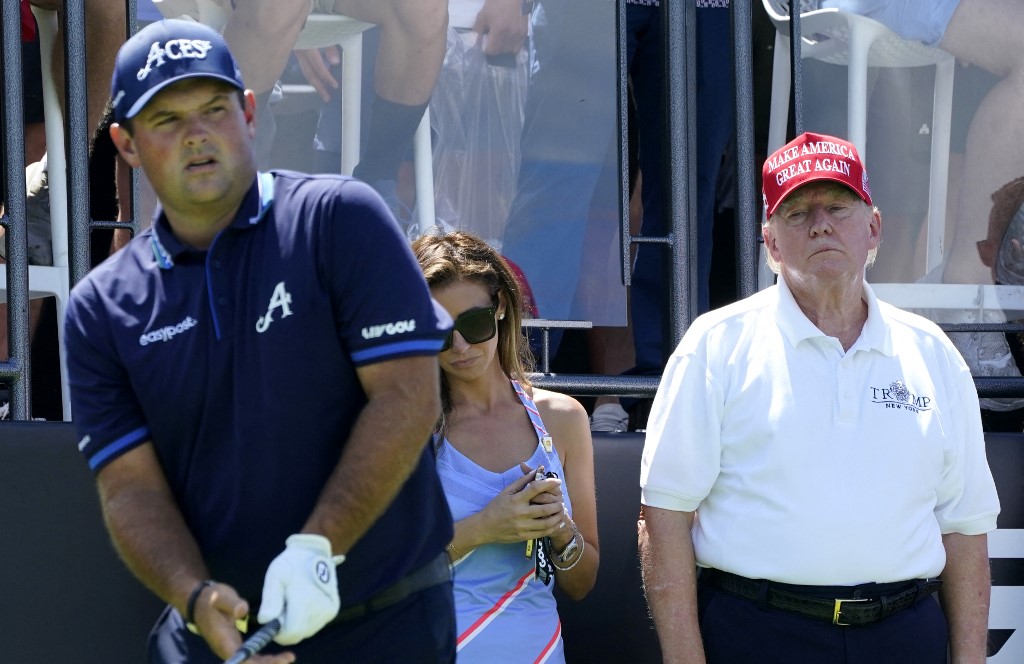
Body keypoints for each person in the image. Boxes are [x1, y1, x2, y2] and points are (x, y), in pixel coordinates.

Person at [63, 20, 456, 663]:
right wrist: (194, 597)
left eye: (213, 109)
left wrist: (317, 548)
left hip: (386, 623)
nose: (197, 135)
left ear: (248, 113)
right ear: (126, 145)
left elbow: (409, 398)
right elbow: (130, 489)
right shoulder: (101, 309)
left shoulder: (339, 219)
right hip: (217, 639)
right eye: (167, 119)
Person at [638, 131, 1001, 663]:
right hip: (758, 635)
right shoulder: (716, 345)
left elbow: (965, 528)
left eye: (837, 206)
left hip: (905, 637)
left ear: (873, 228)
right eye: (797, 213)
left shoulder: (934, 354)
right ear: (771, 243)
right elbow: (663, 515)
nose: (820, 223)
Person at [412, 230, 599, 662]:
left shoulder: (563, 419)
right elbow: (377, 569)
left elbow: (582, 583)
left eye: (472, 325)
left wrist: (559, 530)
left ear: (499, 308)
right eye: (439, 331)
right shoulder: (407, 425)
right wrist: (486, 527)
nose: (459, 347)